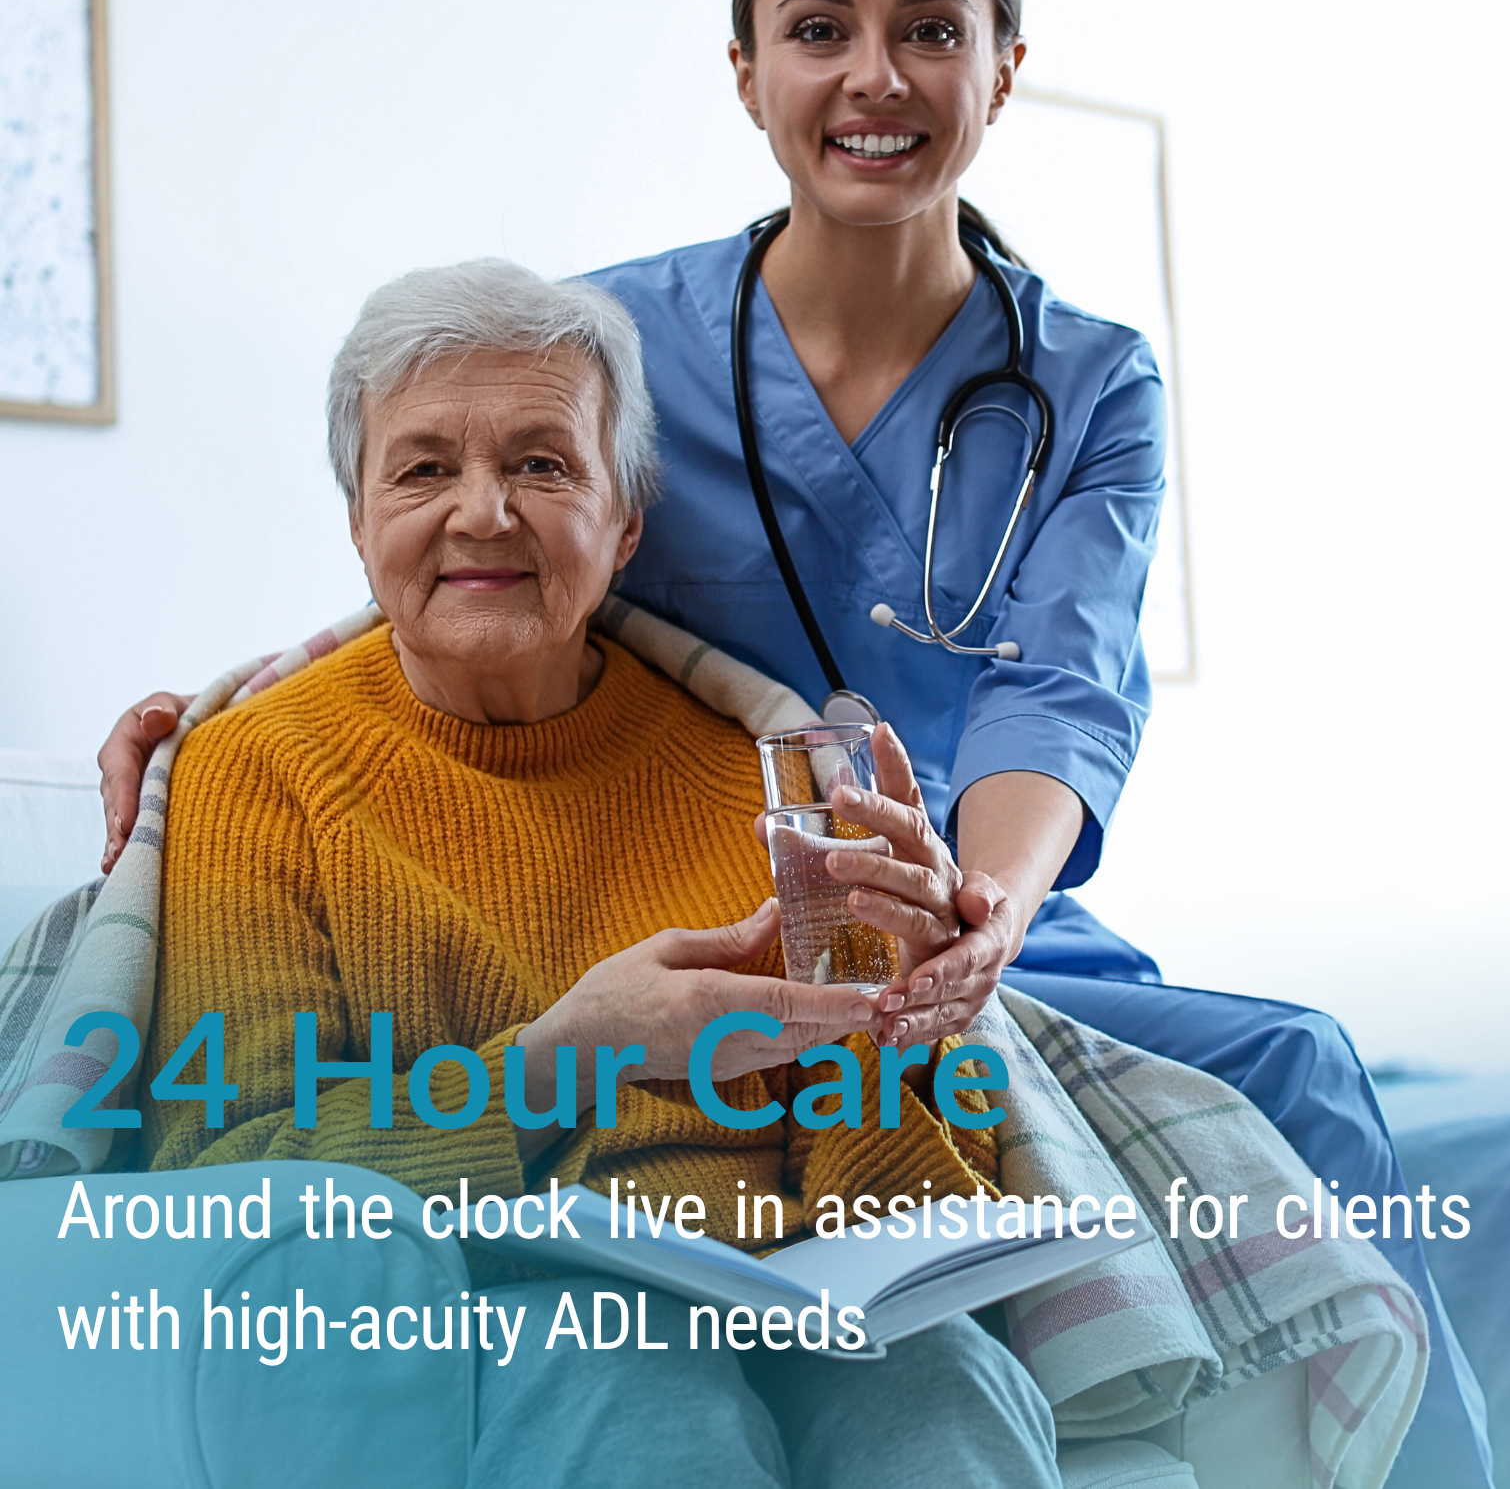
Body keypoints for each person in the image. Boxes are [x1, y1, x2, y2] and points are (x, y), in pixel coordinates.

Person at [94, 0, 1491, 1479]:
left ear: (1001, 68)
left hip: (967, 888)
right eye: (816, 30)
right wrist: (233, 702)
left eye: (930, 30)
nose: (872, 76)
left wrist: (976, 921)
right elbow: (494, 539)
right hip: (739, 879)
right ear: (747, 71)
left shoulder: (1089, 380)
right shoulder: (616, 330)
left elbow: (1060, 687)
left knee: (1298, 1063)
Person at [143, 258, 1065, 1488]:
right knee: (638, 1389)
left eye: (542, 463)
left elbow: (892, 1213)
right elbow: (220, 1172)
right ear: (358, 524)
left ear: (625, 523)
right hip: (494, 1313)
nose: (483, 513)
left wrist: (888, 1019)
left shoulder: (757, 769)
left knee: (952, 1384)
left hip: (786, 1292)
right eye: (423, 468)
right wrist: (563, 1058)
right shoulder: (256, 772)